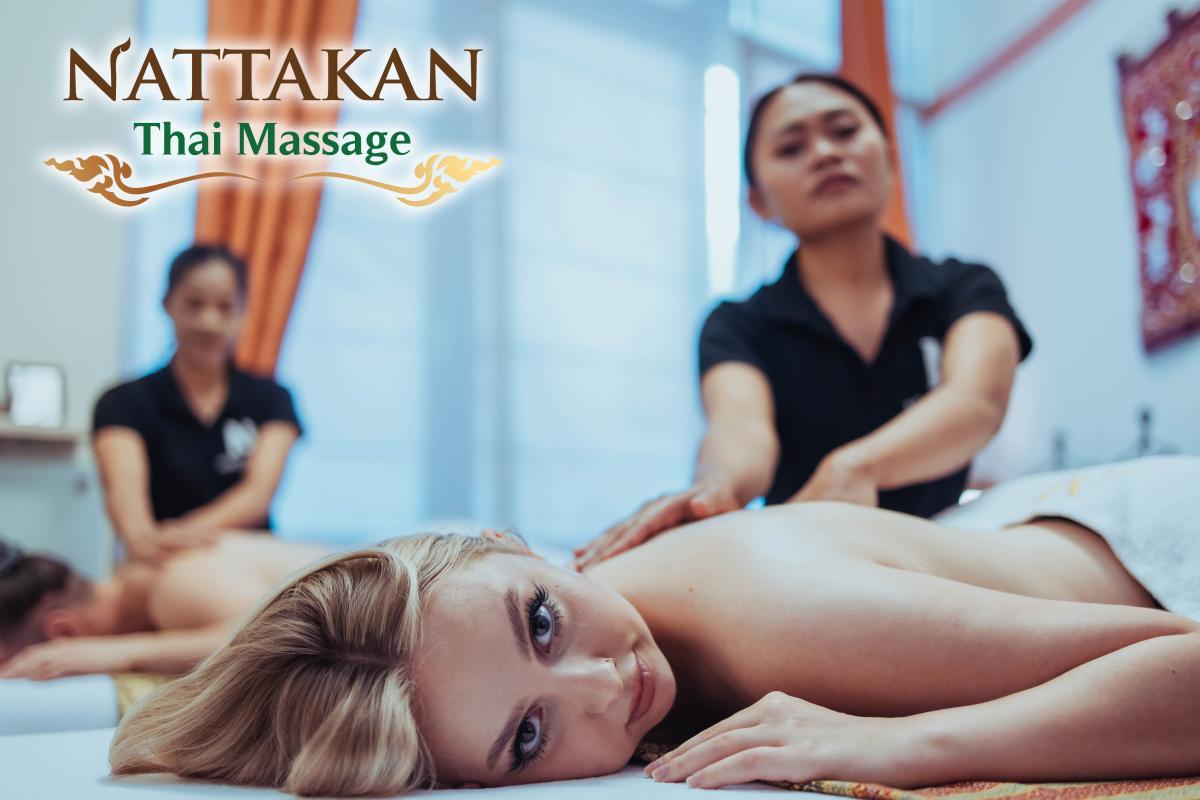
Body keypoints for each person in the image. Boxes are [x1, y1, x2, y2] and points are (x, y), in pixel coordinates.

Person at [109, 457, 1200, 796]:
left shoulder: (789, 622)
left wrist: (909, 743)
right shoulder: (600, 587)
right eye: (526, 739)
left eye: (541, 618)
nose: (600, 688)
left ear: (515, 540)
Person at [575, 74, 1032, 570]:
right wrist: (714, 490)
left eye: (844, 131)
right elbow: (740, 431)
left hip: (951, 549)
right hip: (811, 565)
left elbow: (977, 401)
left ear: (890, 157)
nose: (824, 153)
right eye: (791, 147)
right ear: (759, 201)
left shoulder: (962, 286)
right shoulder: (737, 325)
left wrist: (854, 467)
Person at [92, 244, 303, 564]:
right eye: (194, 303)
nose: (209, 322)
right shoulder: (123, 403)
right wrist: (151, 542)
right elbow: (133, 523)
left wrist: (177, 536)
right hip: (158, 563)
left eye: (225, 306)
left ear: (243, 311)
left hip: (247, 557)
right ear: (167, 304)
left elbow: (257, 497)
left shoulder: (271, 399)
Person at [0, 534, 331, 679]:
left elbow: (274, 635)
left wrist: (118, 652)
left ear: (63, 633)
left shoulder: (175, 582)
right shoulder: (144, 585)